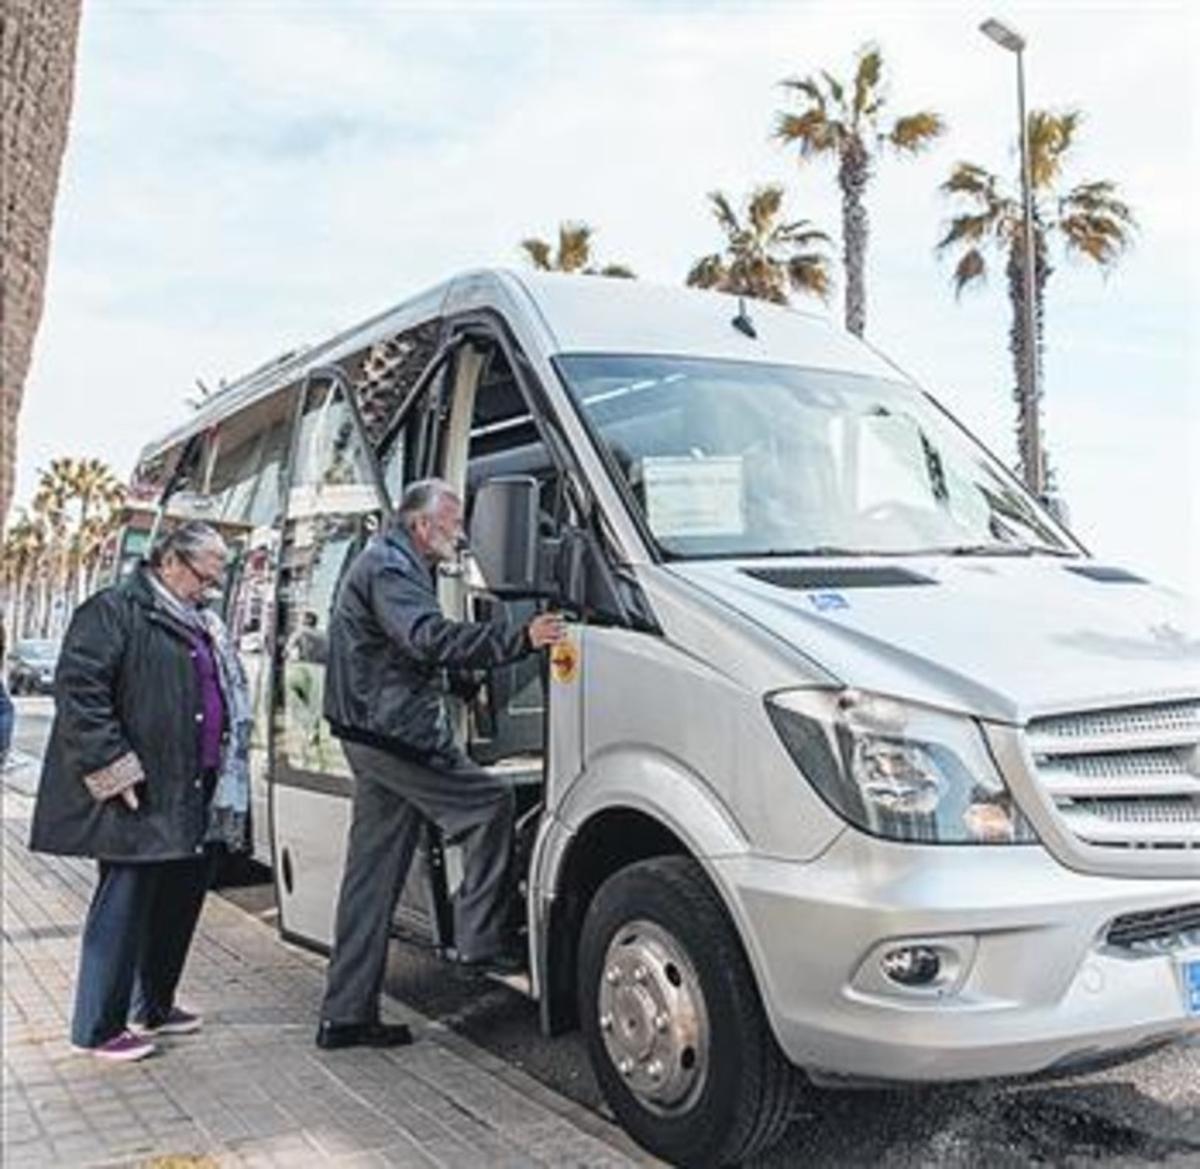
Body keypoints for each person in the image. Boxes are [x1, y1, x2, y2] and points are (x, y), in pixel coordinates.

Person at [316, 478, 565, 1051]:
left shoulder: (390, 560)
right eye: (453, 523)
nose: (460, 533)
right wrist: (518, 638)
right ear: (422, 525)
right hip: (394, 737)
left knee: (370, 881)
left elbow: (401, 650)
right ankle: (478, 942)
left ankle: (345, 1016)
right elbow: (424, 637)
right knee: (488, 804)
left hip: (373, 733)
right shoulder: (391, 569)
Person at [29, 521, 252, 1063]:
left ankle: (152, 1003)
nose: (211, 589)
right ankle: (98, 1026)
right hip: (138, 789)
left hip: (194, 786)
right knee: (125, 903)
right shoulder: (114, 610)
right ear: (171, 562)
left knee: (177, 902)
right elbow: (80, 691)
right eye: (205, 576)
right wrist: (113, 767)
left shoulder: (199, 621)